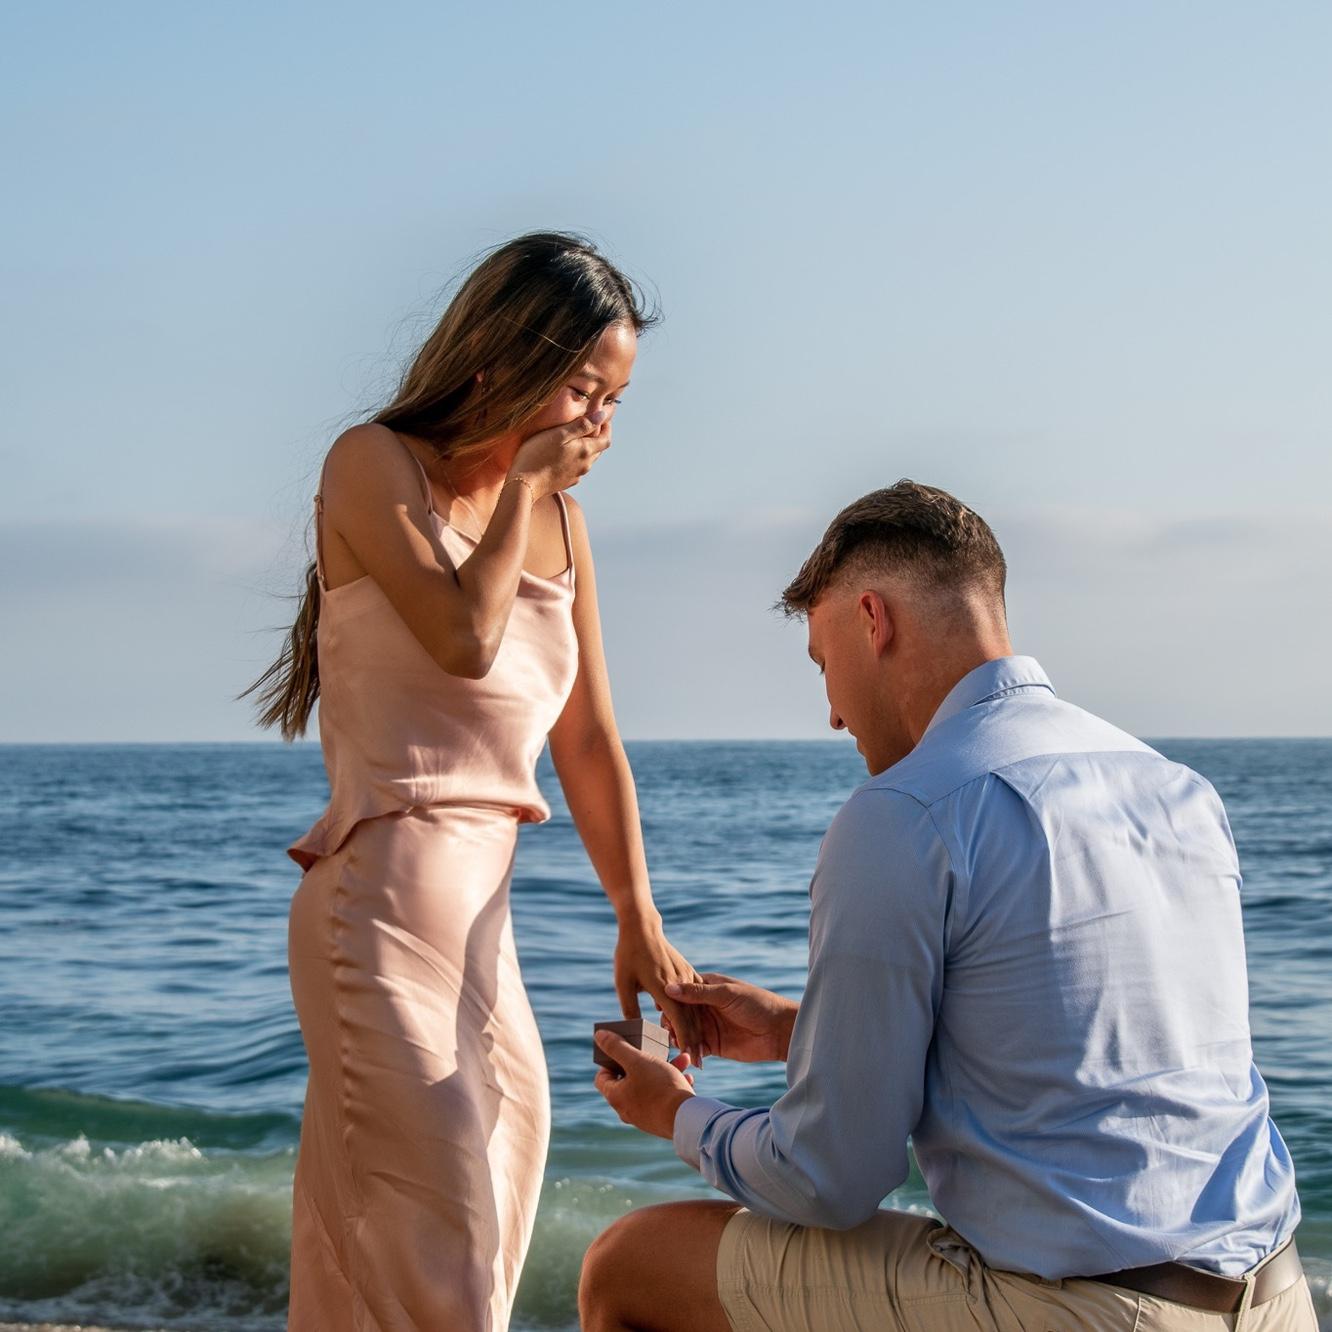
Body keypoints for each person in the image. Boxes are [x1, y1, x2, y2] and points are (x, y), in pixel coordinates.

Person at [582, 480, 1314, 1332]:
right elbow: (1076, 1060)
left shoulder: (905, 813)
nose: (830, 714)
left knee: (629, 1266)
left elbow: (831, 1180)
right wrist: (797, 1032)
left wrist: (674, 1113)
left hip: (1084, 1312)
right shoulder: (1174, 787)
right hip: (1273, 1297)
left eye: (824, 666)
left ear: (872, 620)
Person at [244, 232, 705, 1331]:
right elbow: (462, 637)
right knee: (440, 1261)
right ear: (506, 361)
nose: (600, 424)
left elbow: (588, 739)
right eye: (584, 390)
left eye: (617, 401)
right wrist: (524, 486)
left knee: (485, 1230)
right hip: (380, 902)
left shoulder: (563, 526)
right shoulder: (373, 464)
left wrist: (635, 917)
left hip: (481, 928)